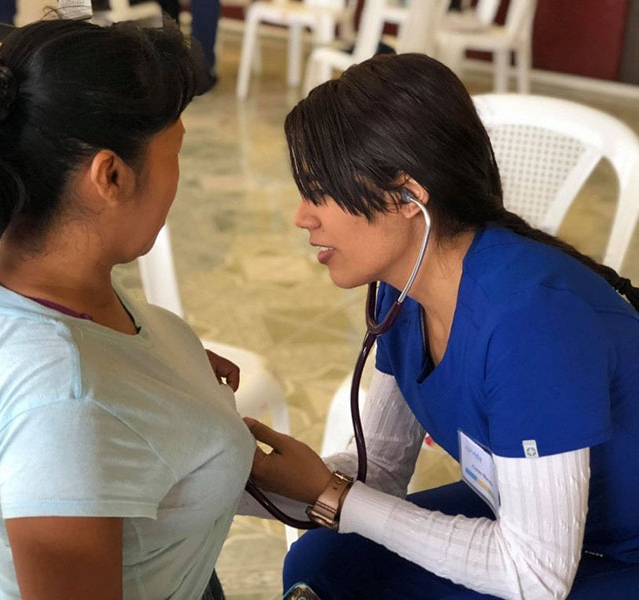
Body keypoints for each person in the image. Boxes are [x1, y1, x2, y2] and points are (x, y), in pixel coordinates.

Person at [242, 53, 639, 599]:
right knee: (325, 563)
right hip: (531, 518)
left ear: (408, 194)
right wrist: (227, 473)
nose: (302, 216)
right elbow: (378, 468)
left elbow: (535, 577)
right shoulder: (401, 287)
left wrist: (337, 498)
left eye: (320, 191)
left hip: (616, 553)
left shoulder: (529, 322)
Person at [0, 18, 254, 600]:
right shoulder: (63, 409)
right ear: (109, 175)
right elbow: (63, 406)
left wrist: (160, 370)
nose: (178, 181)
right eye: (175, 151)